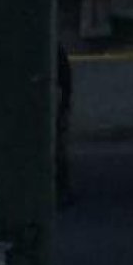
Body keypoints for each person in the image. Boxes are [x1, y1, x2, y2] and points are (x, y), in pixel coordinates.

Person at [56, 43, 75, 208]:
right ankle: (62, 189)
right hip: (59, 107)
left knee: (58, 151)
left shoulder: (55, 52)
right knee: (59, 151)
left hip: (57, 107)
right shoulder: (58, 51)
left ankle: (61, 189)